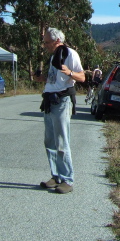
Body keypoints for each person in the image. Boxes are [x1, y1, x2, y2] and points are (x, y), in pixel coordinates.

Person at [35, 28, 85, 194]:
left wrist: (70, 72)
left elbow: (82, 77)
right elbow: (53, 79)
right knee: (49, 142)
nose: (45, 45)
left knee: (62, 142)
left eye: (47, 42)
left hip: (62, 101)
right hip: (49, 101)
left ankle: (67, 180)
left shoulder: (70, 54)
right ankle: (56, 176)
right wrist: (40, 78)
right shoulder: (53, 57)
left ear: (57, 40)